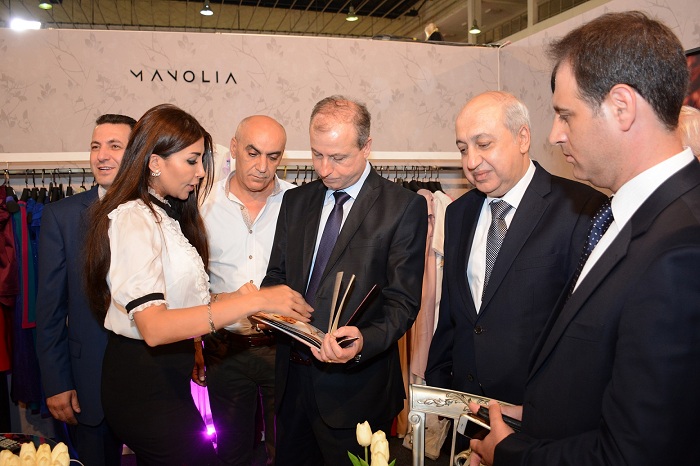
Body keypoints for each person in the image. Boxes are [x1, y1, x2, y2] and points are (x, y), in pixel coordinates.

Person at [468, 11, 700, 466]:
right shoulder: (626, 214)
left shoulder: (682, 248)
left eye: (565, 115)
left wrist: (511, 454)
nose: (555, 135)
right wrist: (537, 419)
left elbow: (635, 453)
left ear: (622, 106)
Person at [83, 103, 312, 465]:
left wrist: (232, 297)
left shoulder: (162, 214)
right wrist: (251, 302)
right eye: (192, 161)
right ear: (155, 163)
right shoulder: (134, 218)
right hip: (145, 384)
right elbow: (154, 327)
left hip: (167, 380)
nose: (202, 172)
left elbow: (178, 300)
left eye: (201, 161)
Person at [261, 95, 428, 465]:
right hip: (292, 383)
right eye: (317, 154)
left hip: (357, 389)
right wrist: (271, 306)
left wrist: (363, 340)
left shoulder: (403, 207)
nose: (325, 169)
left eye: (338, 157)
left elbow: (402, 303)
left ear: (366, 147)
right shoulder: (295, 201)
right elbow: (276, 275)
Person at [425, 92, 605, 406]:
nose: (471, 162)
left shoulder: (581, 209)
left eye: (484, 144)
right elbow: (454, 316)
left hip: (536, 411)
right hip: (466, 408)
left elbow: (590, 332)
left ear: (522, 138)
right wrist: (440, 386)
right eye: (463, 149)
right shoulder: (458, 213)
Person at [36, 113, 136, 466]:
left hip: (149, 383)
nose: (101, 155)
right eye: (96, 146)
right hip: (88, 384)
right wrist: (56, 382)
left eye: (114, 146)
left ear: (136, 153)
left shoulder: (164, 213)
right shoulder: (61, 217)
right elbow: (49, 311)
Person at [199, 115, 294, 465]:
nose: (262, 166)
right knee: (231, 450)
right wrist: (195, 343)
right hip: (225, 349)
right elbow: (193, 281)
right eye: (253, 153)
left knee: (286, 448)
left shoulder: (298, 202)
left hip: (284, 347)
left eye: (273, 156)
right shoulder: (202, 202)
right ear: (234, 147)